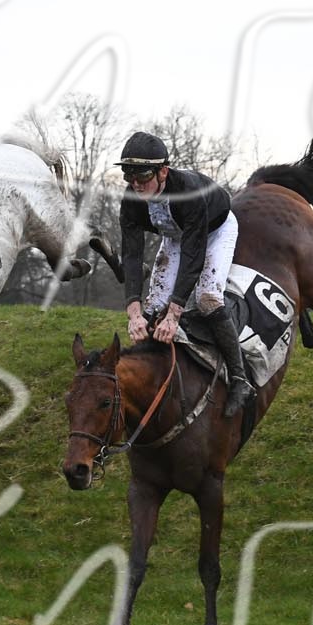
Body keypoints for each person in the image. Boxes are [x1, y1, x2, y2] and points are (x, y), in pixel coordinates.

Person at [117, 131, 254, 417]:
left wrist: (174, 314)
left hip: (215, 231)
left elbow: (193, 259)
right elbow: (131, 255)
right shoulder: (131, 198)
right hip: (176, 234)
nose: (136, 185)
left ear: (163, 171)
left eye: (143, 177)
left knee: (207, 299)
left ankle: (240, 378)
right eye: (130, 177)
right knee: (152, 306)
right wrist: (134, 312)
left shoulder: (188, 192)